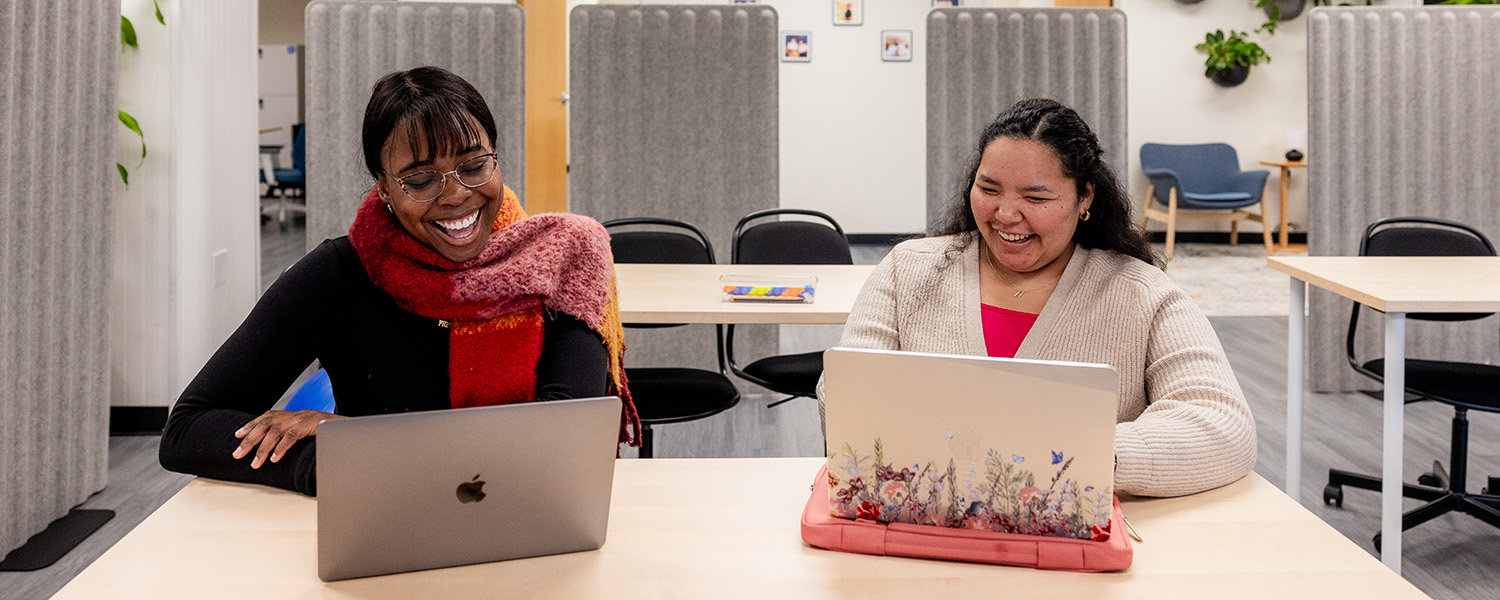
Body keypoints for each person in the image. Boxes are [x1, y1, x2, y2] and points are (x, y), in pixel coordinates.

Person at [160, 66, 639, 495]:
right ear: (384, 186)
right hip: (385, 533)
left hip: (533, 525)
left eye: (474, 166)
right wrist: (323, 463)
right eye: (421, 179)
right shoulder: (340, 274)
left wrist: (354, 441)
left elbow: (559, 437)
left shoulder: (561, 259)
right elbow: (187, 429)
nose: (456, 196)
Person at [821, 98, 1255, 498]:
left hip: (1071, 555)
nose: (1006, 214)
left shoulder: (1141, 294)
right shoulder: (908, 270)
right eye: (989, 190)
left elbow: (1222, 424)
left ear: (1084, 197)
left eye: (1035, 197)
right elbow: (848, 391)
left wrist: (1077, 454)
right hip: (923, 533)